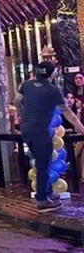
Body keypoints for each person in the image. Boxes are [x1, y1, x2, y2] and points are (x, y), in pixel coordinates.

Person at [15, 61, 84, 212]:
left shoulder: (26, 85)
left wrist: (22, 116)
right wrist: (81, 128)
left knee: (40, 161)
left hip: (26, 130)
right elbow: (67, 112)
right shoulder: (52, 90)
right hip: (41, 131)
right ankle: (42, 201)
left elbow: (16, 101)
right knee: (43, 165)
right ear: (52, 74)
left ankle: (47, 193)